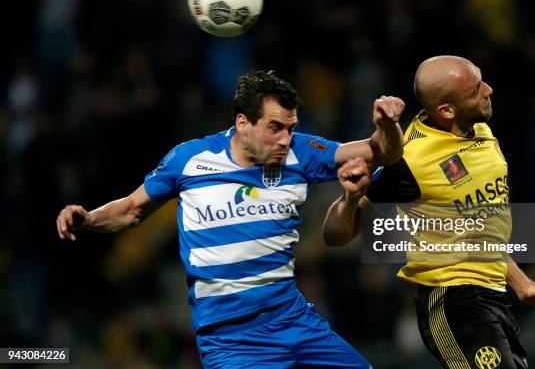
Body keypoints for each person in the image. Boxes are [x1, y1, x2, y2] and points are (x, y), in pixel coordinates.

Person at [56, 70, 405, 368]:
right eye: (275, 127)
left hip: (295, 321)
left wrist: (387, 126)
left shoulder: (301, 152)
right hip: (231, 341)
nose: (285, 138)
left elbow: (381, 153)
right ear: (242, 123)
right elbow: (130, 210)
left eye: (291, 127)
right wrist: (88, 218)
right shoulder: (190, 160)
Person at [323, 56, 535, 369]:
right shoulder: (410, 160)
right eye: (476, 89)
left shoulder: (484, 134)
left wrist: (522, 284)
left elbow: (479, 231)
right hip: (452, 302)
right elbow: (334, 235)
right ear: (446, 110)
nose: (489, 90)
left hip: (494, 299)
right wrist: (351, 199)